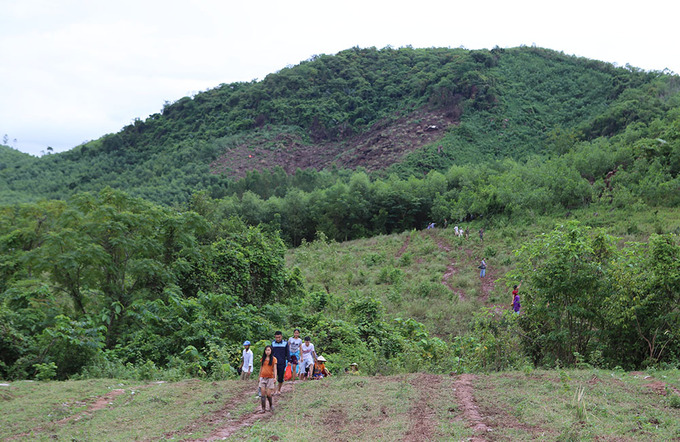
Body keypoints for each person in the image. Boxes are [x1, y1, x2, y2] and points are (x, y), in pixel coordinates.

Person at [258, 345, 277, 413]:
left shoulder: (274, 359)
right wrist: (259, 376)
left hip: (270, 378)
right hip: (263, 377)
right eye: (266, 350)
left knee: (269, 393)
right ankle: (263, 408)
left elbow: (275, 369)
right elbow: (261, 368)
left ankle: (271, 405)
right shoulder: (263, 358)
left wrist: (275, 377)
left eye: (269, 350)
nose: (267, 352)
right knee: (263, 393)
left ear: (271, 351)